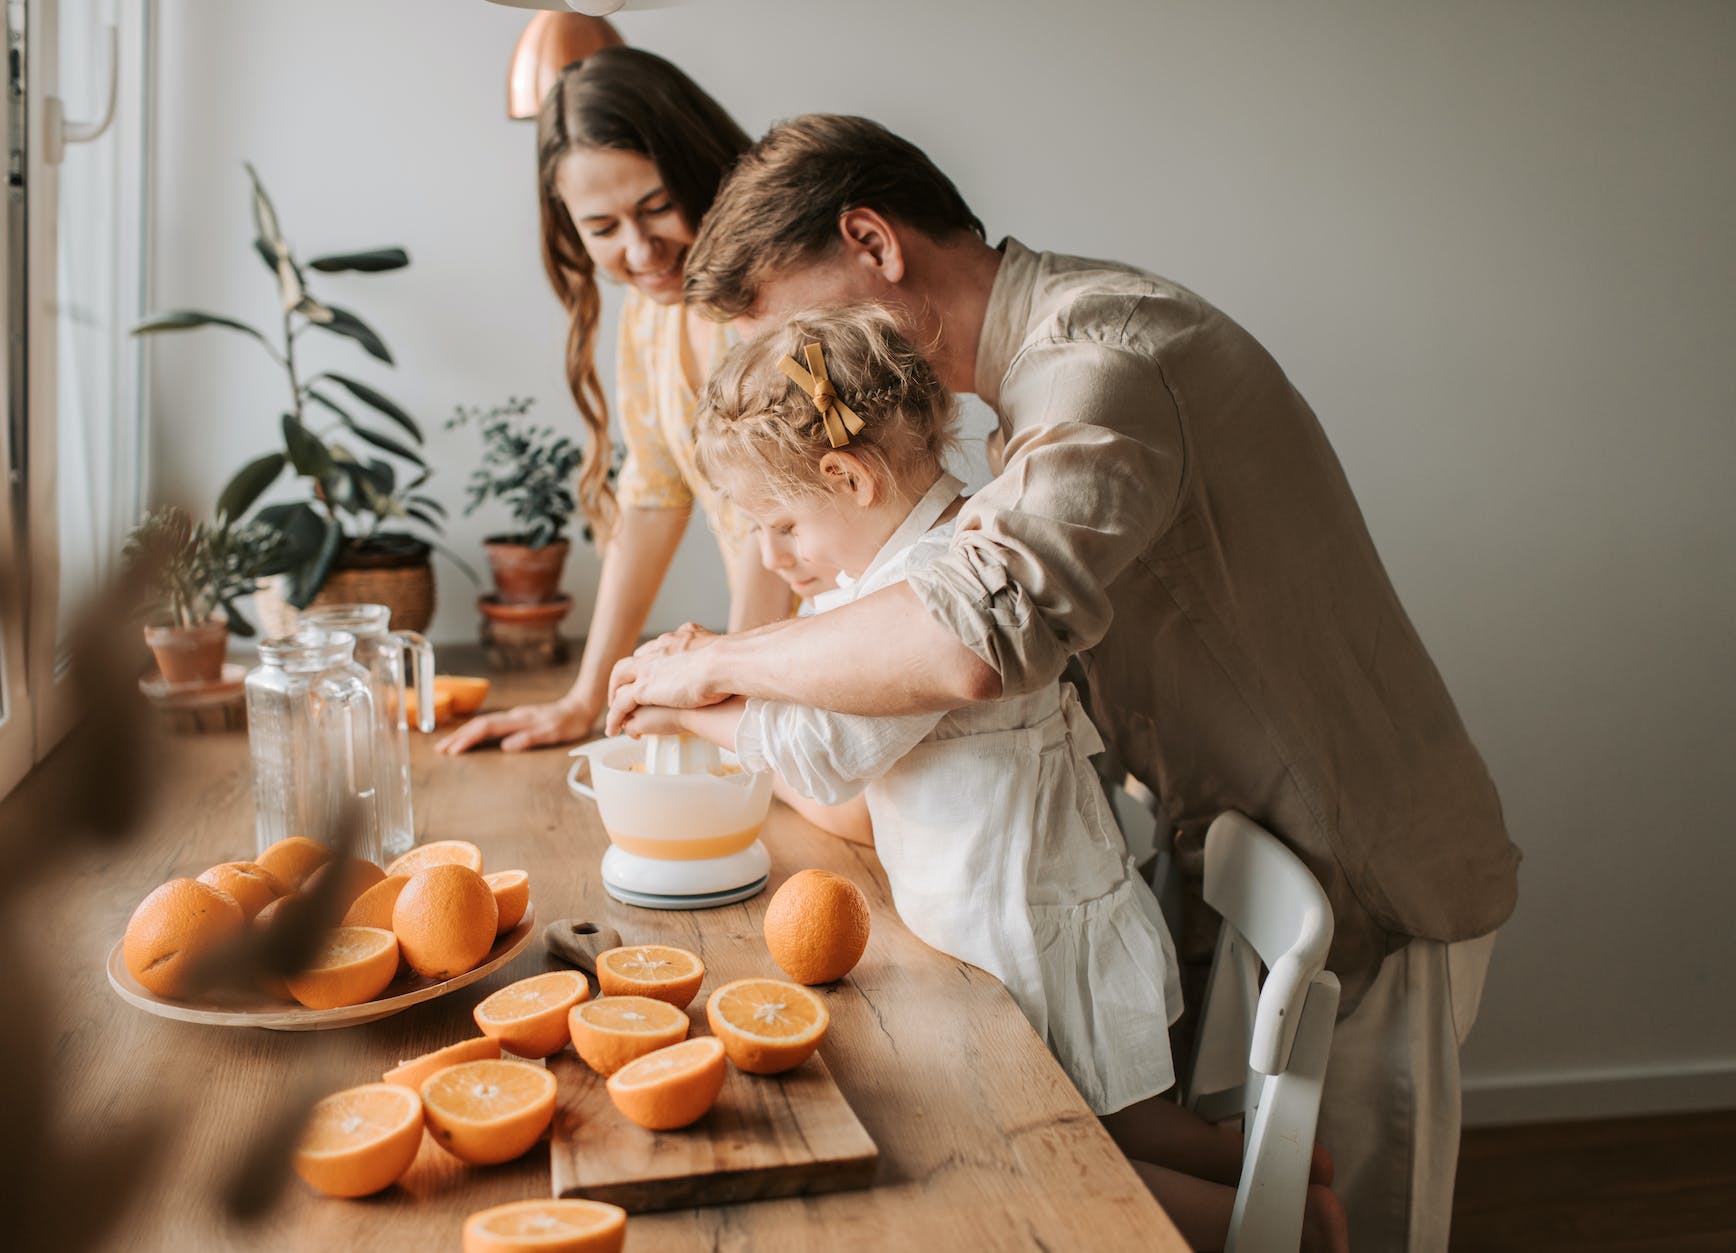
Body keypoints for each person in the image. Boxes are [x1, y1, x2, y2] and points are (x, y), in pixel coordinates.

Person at [606, 114, 1519, 1253]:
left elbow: (969, 637)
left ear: (871, 243)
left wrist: (712, 663)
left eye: (798, 335)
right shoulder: (1033, 382)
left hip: (1368, 860)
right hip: (1251, 840)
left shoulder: (1098, 365)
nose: (809, 380)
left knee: (1352, 1230)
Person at [623, 305, 1345, 1251]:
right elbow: (832, 763)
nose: (770, 555)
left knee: (1036, 1156)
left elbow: (820, 749)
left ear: (848, 477)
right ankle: (1276, 1170)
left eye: (779, 524)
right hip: (1028, 905)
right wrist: (711, 679)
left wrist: (687, 697)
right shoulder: (919, 555)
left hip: (1018, 931)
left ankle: (1268, 1223)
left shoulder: (921, 586)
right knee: (1113, 1122)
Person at [434, 48, 789, 755]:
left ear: (703, 169)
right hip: (769, 670)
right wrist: (585, 697)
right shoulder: (649, 312)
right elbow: (654, 494)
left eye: (658, 207)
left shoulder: (777, 292)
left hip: (825, 663)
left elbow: (775, 510)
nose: (640, 249)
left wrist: (747, 694)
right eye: (602, 228)